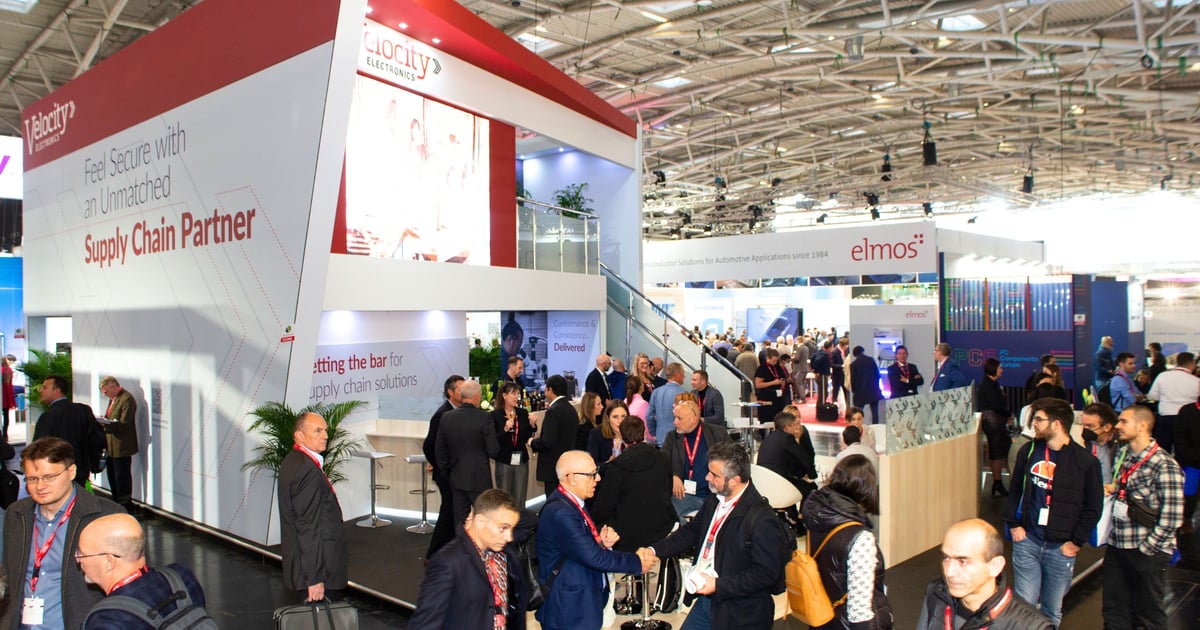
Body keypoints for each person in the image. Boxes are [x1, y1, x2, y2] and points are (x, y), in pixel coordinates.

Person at [638, 441, 792, 630]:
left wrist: (719, 585)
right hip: (708, 603)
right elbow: (691, 531)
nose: (707, 477)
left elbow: (766, 573)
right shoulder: (715, 500)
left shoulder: (762, 519)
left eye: (714, 475)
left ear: (734, 480)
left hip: (742, 613)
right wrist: (655, 550)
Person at [1, 437, 125, 629]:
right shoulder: (16, 514)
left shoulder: (106, 516)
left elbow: (125, 587)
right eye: (32, 479)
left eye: (49, 477)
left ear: (71, 472)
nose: (40, 486)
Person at [1004, 397, 1102, 626]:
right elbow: (1015, 489)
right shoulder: (1028, 451)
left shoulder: (1085, 462)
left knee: (1051, 610)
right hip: (1028, 541)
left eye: (1038, 419)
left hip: (1061, 549)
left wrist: (1076, 542)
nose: (1034, 424)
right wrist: (1014, 524)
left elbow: (1093, 507)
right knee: (1024, 606)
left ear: (1056, 424)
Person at [535, 451, 646, 630]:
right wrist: (637, 561)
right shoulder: (561, 512)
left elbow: (577, 548)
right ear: (571, 478)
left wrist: (601, 543)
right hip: (569, 608)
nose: (598, 478)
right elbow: (594, 557)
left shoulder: (573, 502)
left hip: (580, 600)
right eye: (591, 474)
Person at [1102, 405, 1185, 630]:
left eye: (1123, 421)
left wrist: (1147, 549)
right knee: (1114, 607)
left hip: (1147, 549)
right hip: (1118, 543)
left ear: (1141, 426)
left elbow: (1173, 517)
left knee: (1149, 611)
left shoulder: (1165, 465)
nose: (1118, 426)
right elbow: (1122, 488)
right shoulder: (1122, 453)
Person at [409, 489, 531, 629]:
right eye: (503, 528)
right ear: (479, 521)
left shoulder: (501, 550)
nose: (509, 537)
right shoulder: (448, 561)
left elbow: (531, 519)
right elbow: (425, 624)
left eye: (511, 529)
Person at [591, 415, 675, 615]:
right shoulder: (663, 458)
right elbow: (668, 489)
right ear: (644, 432)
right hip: (661, 525)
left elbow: (605, 504)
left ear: (622, 436)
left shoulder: (617, 466)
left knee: (606, 522)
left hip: (628, 532)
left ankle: (630, 593)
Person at [802, 454, 893, 629]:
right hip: (846, 621)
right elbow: (859, 611)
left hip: (823, 615)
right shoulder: (860, 538)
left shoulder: (820, 516)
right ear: (865, 489)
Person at [76, 514, 209, 629]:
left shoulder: (107, 620)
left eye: (82, 554)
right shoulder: (181, 578)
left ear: (109, 562)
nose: (78, 559)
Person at [917, 519, 1053, 629]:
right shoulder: (936, 593)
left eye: (962, 561)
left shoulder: (1031, 626)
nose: (949, 572)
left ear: (995, 566)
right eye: (946, 558)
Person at [278, 412, 347, 602]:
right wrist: (315, 578)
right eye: (317, 431)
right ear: (299, 435)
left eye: (325, 430)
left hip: (307, 569)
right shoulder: (306, 470)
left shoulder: (293, 461)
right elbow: (309, 526)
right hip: (316, 573)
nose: (325, 435)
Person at [436, 380, 500, 528]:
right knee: (484, 520)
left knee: (460, 522)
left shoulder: (446, 417)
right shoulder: (485, 418)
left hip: (456, 478)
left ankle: (463, 549)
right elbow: (493, 450)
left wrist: (448, 472)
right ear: (477, 397)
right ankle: (481, 551)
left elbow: (440, 451)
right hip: (480, 478)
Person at [662, 399, 730, 523]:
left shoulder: (718, 433)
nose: (675, 422)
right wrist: (673, 475)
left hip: (715, 495)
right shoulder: (672, 438)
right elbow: (662, 463)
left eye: (679, 418)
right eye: (675, 417)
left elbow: (733, 462)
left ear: (693, 419)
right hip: (684, 496)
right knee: (667, 516)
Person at [32, 376, 105, 486]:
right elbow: (97, 439)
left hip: (55, 473)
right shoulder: (83, 410)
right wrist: (94, 464)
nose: (40, 390)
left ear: (57, 390)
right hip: (80, 469)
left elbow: (38, 448)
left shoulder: (48, 416)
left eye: (44, 387)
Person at [423, 374, 465, 560]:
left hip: (455, 472)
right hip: (447, 474)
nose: (464, 392)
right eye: (460, 389)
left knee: (452, 510)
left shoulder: (459, 411)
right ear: (450, 392)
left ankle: (445, 550)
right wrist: (441, 466)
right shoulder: (442, 414)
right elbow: (429, 445)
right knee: (449, 510)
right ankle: (434, 553)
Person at [530, 375, 578, 498]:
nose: (545, 393)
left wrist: (532, 442)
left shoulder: (553, 411)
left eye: (546, 390)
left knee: (554, 501)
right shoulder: (571, 409)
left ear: (550, 390)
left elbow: (547, 441)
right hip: (567, 466)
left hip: (553, 468)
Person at [98, 376, 138, 512]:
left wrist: (107, 425)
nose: (105, 395)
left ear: (113, 386)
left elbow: (125, 423)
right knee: (112, 475)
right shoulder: (113, 399)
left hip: (122, 445)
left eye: (106, 392)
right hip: (111, 444)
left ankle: (125, 503)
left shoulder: (127, 399)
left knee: (122, 476)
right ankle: (116, 501)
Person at [491, 381, 534, 508]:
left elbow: (526, 436)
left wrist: (532, 426)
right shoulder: (495, 415)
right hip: (504, 460)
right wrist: (505, 430)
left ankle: (520, 525)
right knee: (504, 498)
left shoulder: (522, 413)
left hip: (521, 459)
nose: (516, 397)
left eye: (518, 394)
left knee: (520, 498)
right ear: (504, 395)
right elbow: (494, 440)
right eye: (513, 394)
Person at [1147, 351, 1199, 453]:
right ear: (1192, 363)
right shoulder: (1196, 381)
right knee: (1184, 448)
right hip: (1188, 419)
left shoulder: (1162, 376)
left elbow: (1152, 396)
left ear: (1177, 362)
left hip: (1166, 417)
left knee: (1162, 448)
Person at [756, 410, 816, 497]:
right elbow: (803, 457)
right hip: (778, 481)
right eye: (793, 425)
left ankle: (792, 510)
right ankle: (802, 511)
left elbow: (789, 461)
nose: (796, 428)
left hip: (764, 480)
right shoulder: (787, 438)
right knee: (811, 488)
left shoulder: (769, 437)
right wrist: (812, 476)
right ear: (786, 428)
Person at [978, 357, 1013, 497]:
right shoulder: (988, 386)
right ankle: (997, 482)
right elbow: (997, 405)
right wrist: (1008, 414)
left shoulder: (992, 384)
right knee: (998, 454)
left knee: (998, 453)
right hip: (994, 426)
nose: (1002, 371)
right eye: (1000, 368)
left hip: (996, 425)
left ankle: (998, 483)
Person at [1176, 395, 1200, 534]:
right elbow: (1180, 439)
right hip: (1192, 462)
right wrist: (1193, 456)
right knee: (1189, 494)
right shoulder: (1187, 411)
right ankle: (1185, 519)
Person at [646, 362, 686, 445]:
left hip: (660, 437)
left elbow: (649, 416)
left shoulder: (656, 392)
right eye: (683, 373)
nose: (684, 376)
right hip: (678, 439)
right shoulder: (684, 394)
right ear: (677, 375)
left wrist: (654, 432)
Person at [1080, 402, 1119, 484]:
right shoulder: (1087, 444)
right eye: (1083, 425)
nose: (1085, 430)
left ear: (1107, 427)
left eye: (1090, 426)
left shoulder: (1121, 445)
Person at [586, 399, 629, 470]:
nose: (620, 421)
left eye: (623, 416)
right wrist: (607, 464)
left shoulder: (632, 434)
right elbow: (591, 465)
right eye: (615, 417)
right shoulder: (596, 434)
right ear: (608, 418)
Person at [754, 349, 791, 423]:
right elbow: (758, 385)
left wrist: (782, 382)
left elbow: (783, 378)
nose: (775, 362)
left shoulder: (778, 367)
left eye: (776, 361)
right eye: (773, 360)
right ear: (768, 358)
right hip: (766, 397)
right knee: (766, 420)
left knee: (778, 419)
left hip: (778, 398)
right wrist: (773, 383)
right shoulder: (762, 368)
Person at [849, 346, 882, 424]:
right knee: (875, 412)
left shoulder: (853, 365)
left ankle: (858, 427)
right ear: (863, 351)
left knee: (858, 413)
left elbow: (853, 380)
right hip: (873, 390)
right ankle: (875, 428)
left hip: (860, 392)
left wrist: (854, 391)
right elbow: (877, 375)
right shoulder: (870, 360)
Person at [831, 338, 849, 405]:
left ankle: (848, 405)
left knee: (846, 391)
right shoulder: (834, 351)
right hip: (837, 375)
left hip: (844, 374)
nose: (847, 347)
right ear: (842, 345)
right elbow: (832, 364)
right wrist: (841, 366)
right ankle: (834, 405)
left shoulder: (846, 351)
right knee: (835, 390)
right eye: (846, 346)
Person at [1, 355, 14, 440]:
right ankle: (5, 435)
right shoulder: (8, 370)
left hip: (3, 393)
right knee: (6, 415)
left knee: (6, 415)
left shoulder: (5, 369)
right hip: (6, 394)